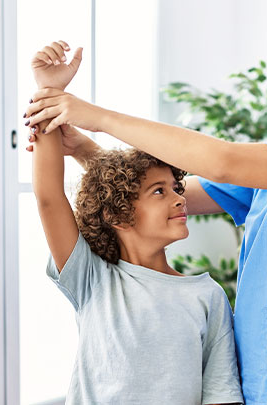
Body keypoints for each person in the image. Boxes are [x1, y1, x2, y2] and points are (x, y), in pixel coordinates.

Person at [26, 6, 267, 404]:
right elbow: (151, 197)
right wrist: (85, 148)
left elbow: (222, 161)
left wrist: (98, 117)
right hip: (266, 383)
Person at [29, 41, 243, 405]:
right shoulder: (93, 278)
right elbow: (49, 197)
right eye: (159, 192)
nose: (180, 197)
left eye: (177, 187)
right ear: (117, 214)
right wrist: (49, 91)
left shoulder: (208, 297)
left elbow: (221, 394)